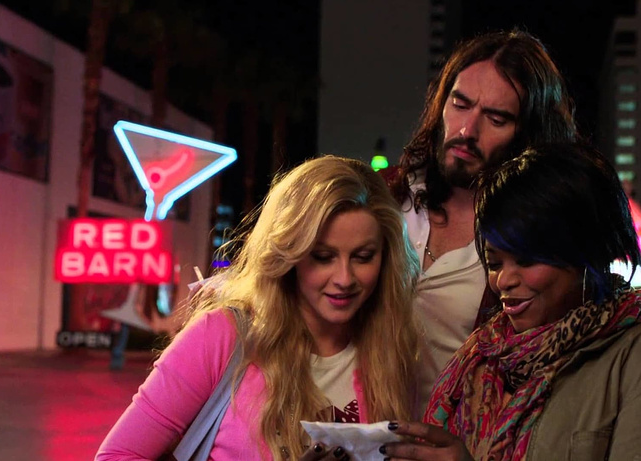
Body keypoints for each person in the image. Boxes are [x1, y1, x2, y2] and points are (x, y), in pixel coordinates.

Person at [378, 144, 641, 460]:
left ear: (587, 252)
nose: (504, 280)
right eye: (495, 263)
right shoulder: (480, 358)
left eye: (526, 260)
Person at [96, 155, 421, 460]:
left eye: (363, 257)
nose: (344, 278)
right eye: (323, 257)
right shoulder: (223, 335)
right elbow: (116, 456)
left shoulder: (394, 345)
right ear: (289, 254)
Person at [384, 29, 578, 408]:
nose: (466, 130)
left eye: (496, 118)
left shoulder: (535, 247)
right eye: (460, 104)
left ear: (528, 134)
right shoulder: (384, 197)